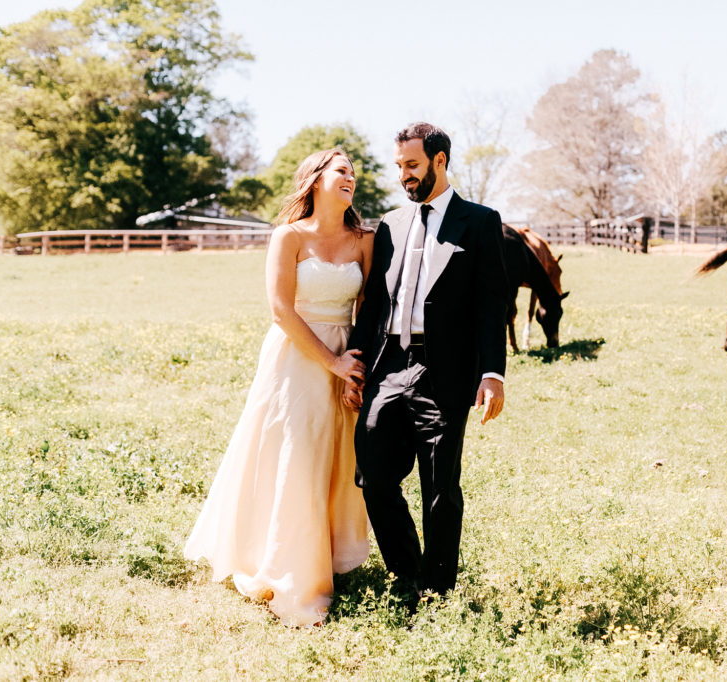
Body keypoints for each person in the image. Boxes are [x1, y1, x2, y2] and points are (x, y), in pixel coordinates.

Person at [185, 149, 372, 627]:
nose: (350, 177)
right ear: (314, 180)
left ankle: (328, 557)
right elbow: (281, 310)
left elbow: (368, 313)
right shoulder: (287, 236)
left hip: (346, 357)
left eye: (353, 172)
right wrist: (329, 362)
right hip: (297, 356)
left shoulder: (363, 240)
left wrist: (355, 368)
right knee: (295, 457)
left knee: (335, 458)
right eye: (341, 171)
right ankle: (295, 577)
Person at [344, 122, 507, 603]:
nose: (404, 176)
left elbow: (491, 306)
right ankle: (407, 573)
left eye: (411, 165)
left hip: (445, 374)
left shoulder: (479, 222)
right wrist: (356, 364)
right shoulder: (390, 226)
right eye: (399, 167)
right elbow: (372, 306)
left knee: (440, 489)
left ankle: (436, 590)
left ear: (439, 161)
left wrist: (492, 373)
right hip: (388, 366)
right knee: (372, 475)